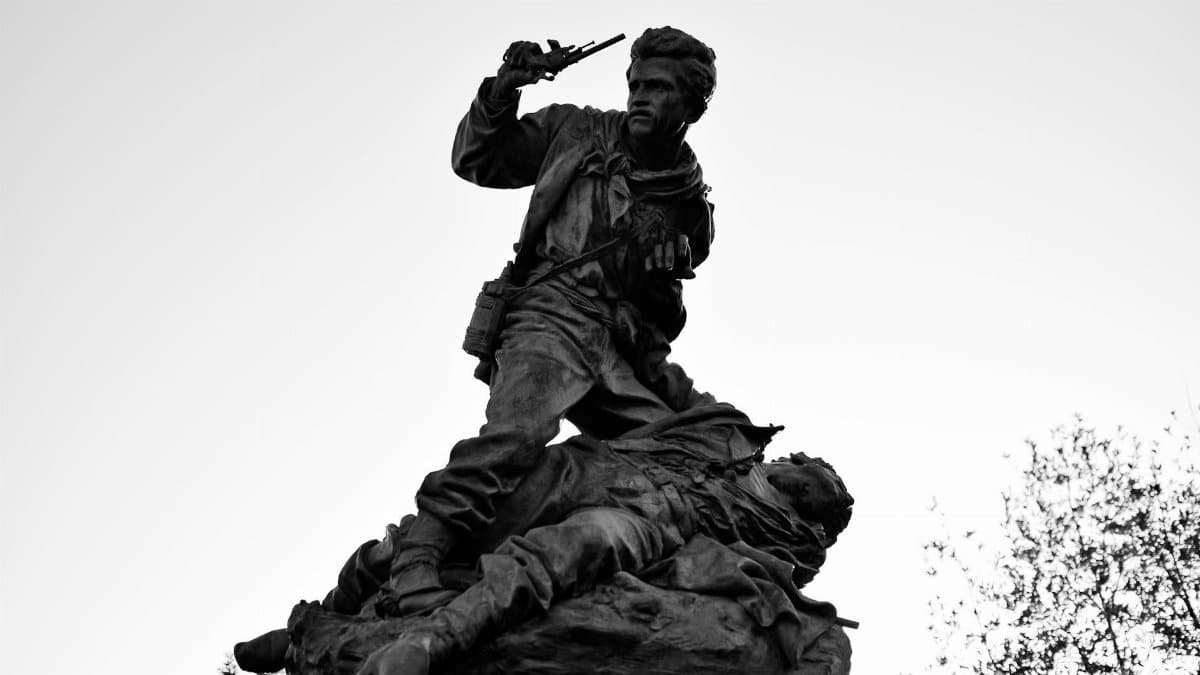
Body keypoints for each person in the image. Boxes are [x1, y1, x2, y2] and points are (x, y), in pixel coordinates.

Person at [388, 26, 723, 614]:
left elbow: (664, 317)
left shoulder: (689, 202)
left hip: (617, 347)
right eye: (636, 83)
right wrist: (502, 92)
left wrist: (659, 275)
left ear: (692, 106)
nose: (641, 96)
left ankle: (620, 564)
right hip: (550, 312)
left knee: (682, 453)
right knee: (514, 439)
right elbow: (476, 159)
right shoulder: (576, 128)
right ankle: (415, 559)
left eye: (660, 88)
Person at [234, 404, 855, 674]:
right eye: (813, 474)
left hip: (653, 520)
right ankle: (312, 624)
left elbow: (779, 577)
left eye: (818, 496)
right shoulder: (729, 429)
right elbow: (652, 375)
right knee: (460, 511)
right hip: (594, 466)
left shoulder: (793, 541)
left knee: (575, 549)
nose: (811, 485)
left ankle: (432, 641)